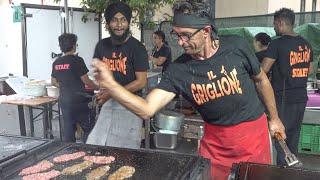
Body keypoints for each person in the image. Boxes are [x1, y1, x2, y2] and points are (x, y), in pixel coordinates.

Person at [92, 2, 286, 179]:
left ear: (206, 31)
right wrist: (111, 86)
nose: (180, 42)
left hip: (253, 137)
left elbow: (261, 80)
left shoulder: (237, 46)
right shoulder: (179, 69)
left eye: (185, 35)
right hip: (216, 146)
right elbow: (147, 108)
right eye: (177, 35)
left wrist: (275, 118)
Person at [85, 1, 149, 149]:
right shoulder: (102, 45)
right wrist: (101, 84)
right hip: (108, 104)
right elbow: (98, 74)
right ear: (108, 23)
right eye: (114, 20)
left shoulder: (137, 48)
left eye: (123, 20)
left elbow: (141, 82)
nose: (119, 25)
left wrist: (111, 93)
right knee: (97, 145)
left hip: (131, 105)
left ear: (128, 22)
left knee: (125, 152)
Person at [261, 8, 313, 166]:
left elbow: (262, 70)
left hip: (283, 99)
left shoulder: (276, 44)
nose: (274, 28)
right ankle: (291, 170)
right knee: (293, 136)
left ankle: (284, 169)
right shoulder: (306, 44)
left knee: (280, 137)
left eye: (275, 24)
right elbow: (309, 70)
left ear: (281, 23)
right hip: (300, 97)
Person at [51, 33, 98, 142]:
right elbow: (86, 80)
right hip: (80, 101)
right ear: (73, 46)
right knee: (88, 128)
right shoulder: (77, 60)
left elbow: (54, 82)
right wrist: (97, 86)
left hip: (65, 101)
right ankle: (87, 151)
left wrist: (65, 85)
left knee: (69, 129)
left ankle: (70, 153)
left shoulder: (56, 62)